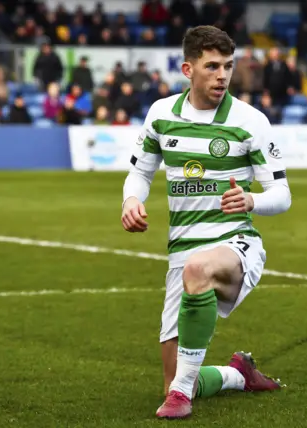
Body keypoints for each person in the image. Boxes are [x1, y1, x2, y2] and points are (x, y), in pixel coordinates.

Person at [120, 25, 292, 420]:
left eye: (228, 66)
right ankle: (237, 374)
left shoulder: (250, 121)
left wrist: (252, 199)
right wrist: (131, 200)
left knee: (200, 269)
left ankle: (182, 393)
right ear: (187, 69)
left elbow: (282, 196)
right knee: (180, 381)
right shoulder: (162, 115)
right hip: (182, 249)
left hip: (236, 243)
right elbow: (141, 174)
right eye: (212, 66)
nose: (222, 76)